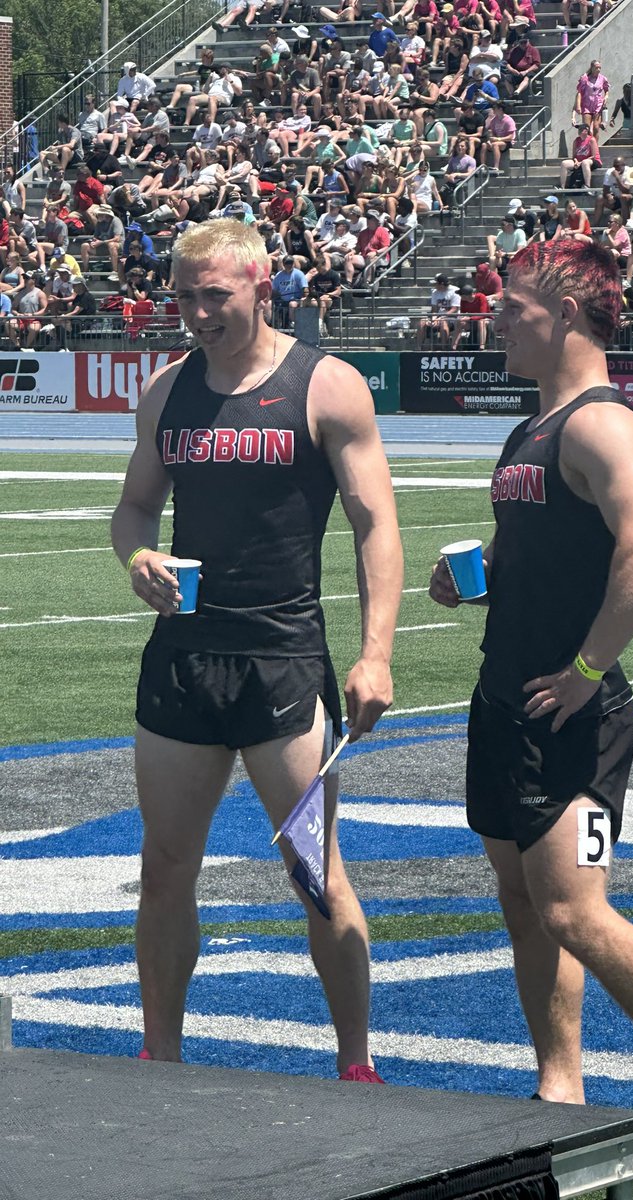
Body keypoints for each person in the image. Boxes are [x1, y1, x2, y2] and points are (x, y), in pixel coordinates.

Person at [428, 237, 633, 1171]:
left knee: (572, 910)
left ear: (564, 310)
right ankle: (559, 1087)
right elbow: (547, 551)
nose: (496, 317)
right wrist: (473, 581)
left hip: (573, 713)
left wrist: (590, 670)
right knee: (525, 907)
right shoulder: (533, 427)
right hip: (507, 697)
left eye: (512, 303)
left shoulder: (603, 424)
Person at [109, 220, 403, 1073]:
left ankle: (356, 1061)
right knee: (164, 871)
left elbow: (375, 524)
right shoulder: (167, 391)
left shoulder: (326, 386)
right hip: (183, 660)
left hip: (281, 661)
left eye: (215, 295)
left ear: (261, 285)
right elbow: (133, 508)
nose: (197, 313)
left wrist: (374, 653)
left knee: (314, 873)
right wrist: (139, 556)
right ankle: (159, 1055)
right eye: (184, 296)